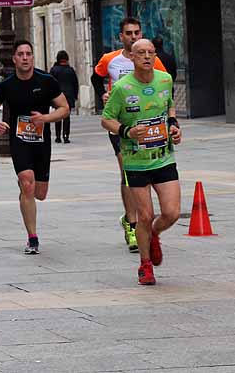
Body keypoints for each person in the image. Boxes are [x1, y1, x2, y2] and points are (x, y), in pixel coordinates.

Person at [101, 38, 182, 285]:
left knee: (171, 213)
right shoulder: (122, 88)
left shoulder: (165, 80)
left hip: (163, 157)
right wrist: (126, 131)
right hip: (135, 161)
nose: (146, 57)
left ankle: (154, 234)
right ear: (133, 58)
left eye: (150, 53)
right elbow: (107, 119)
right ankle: (145, 266)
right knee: (144, 216)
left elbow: (169, 109)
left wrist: (174, 127)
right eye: (141, 53)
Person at [91, 17, 167, 253]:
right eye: (128, 33)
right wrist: (102, 95)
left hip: (147, 124)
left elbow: (165, 83)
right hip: (121, 124)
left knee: (146, 171)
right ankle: (132, 223)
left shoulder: (150, 58)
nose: (133, 37)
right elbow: (96, 76)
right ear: (120, 37)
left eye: (137, 32)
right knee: (127, 170)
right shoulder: (109, 60)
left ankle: (140, 219)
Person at [0, 40, 69, 254]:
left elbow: (64, 108)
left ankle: (26, 189)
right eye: (20, 54)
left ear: (33, 57)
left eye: (28, 54)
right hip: (19, 140)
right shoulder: (7, 85)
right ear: (14, 58)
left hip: (42, 142)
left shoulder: (47, 81)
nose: (25, 57)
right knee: (27, 183)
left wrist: (45, 118)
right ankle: (32, 237)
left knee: (40, 193)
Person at [49, 50, 79, 143]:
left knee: (58, 116)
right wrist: (75, 95)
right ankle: (66, 136)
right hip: (69, 95)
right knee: (67, 116)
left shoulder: (54, 70)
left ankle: (58, 137)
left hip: (57, 95)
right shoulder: (70, 70)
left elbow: (50, 84)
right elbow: (75, 84)